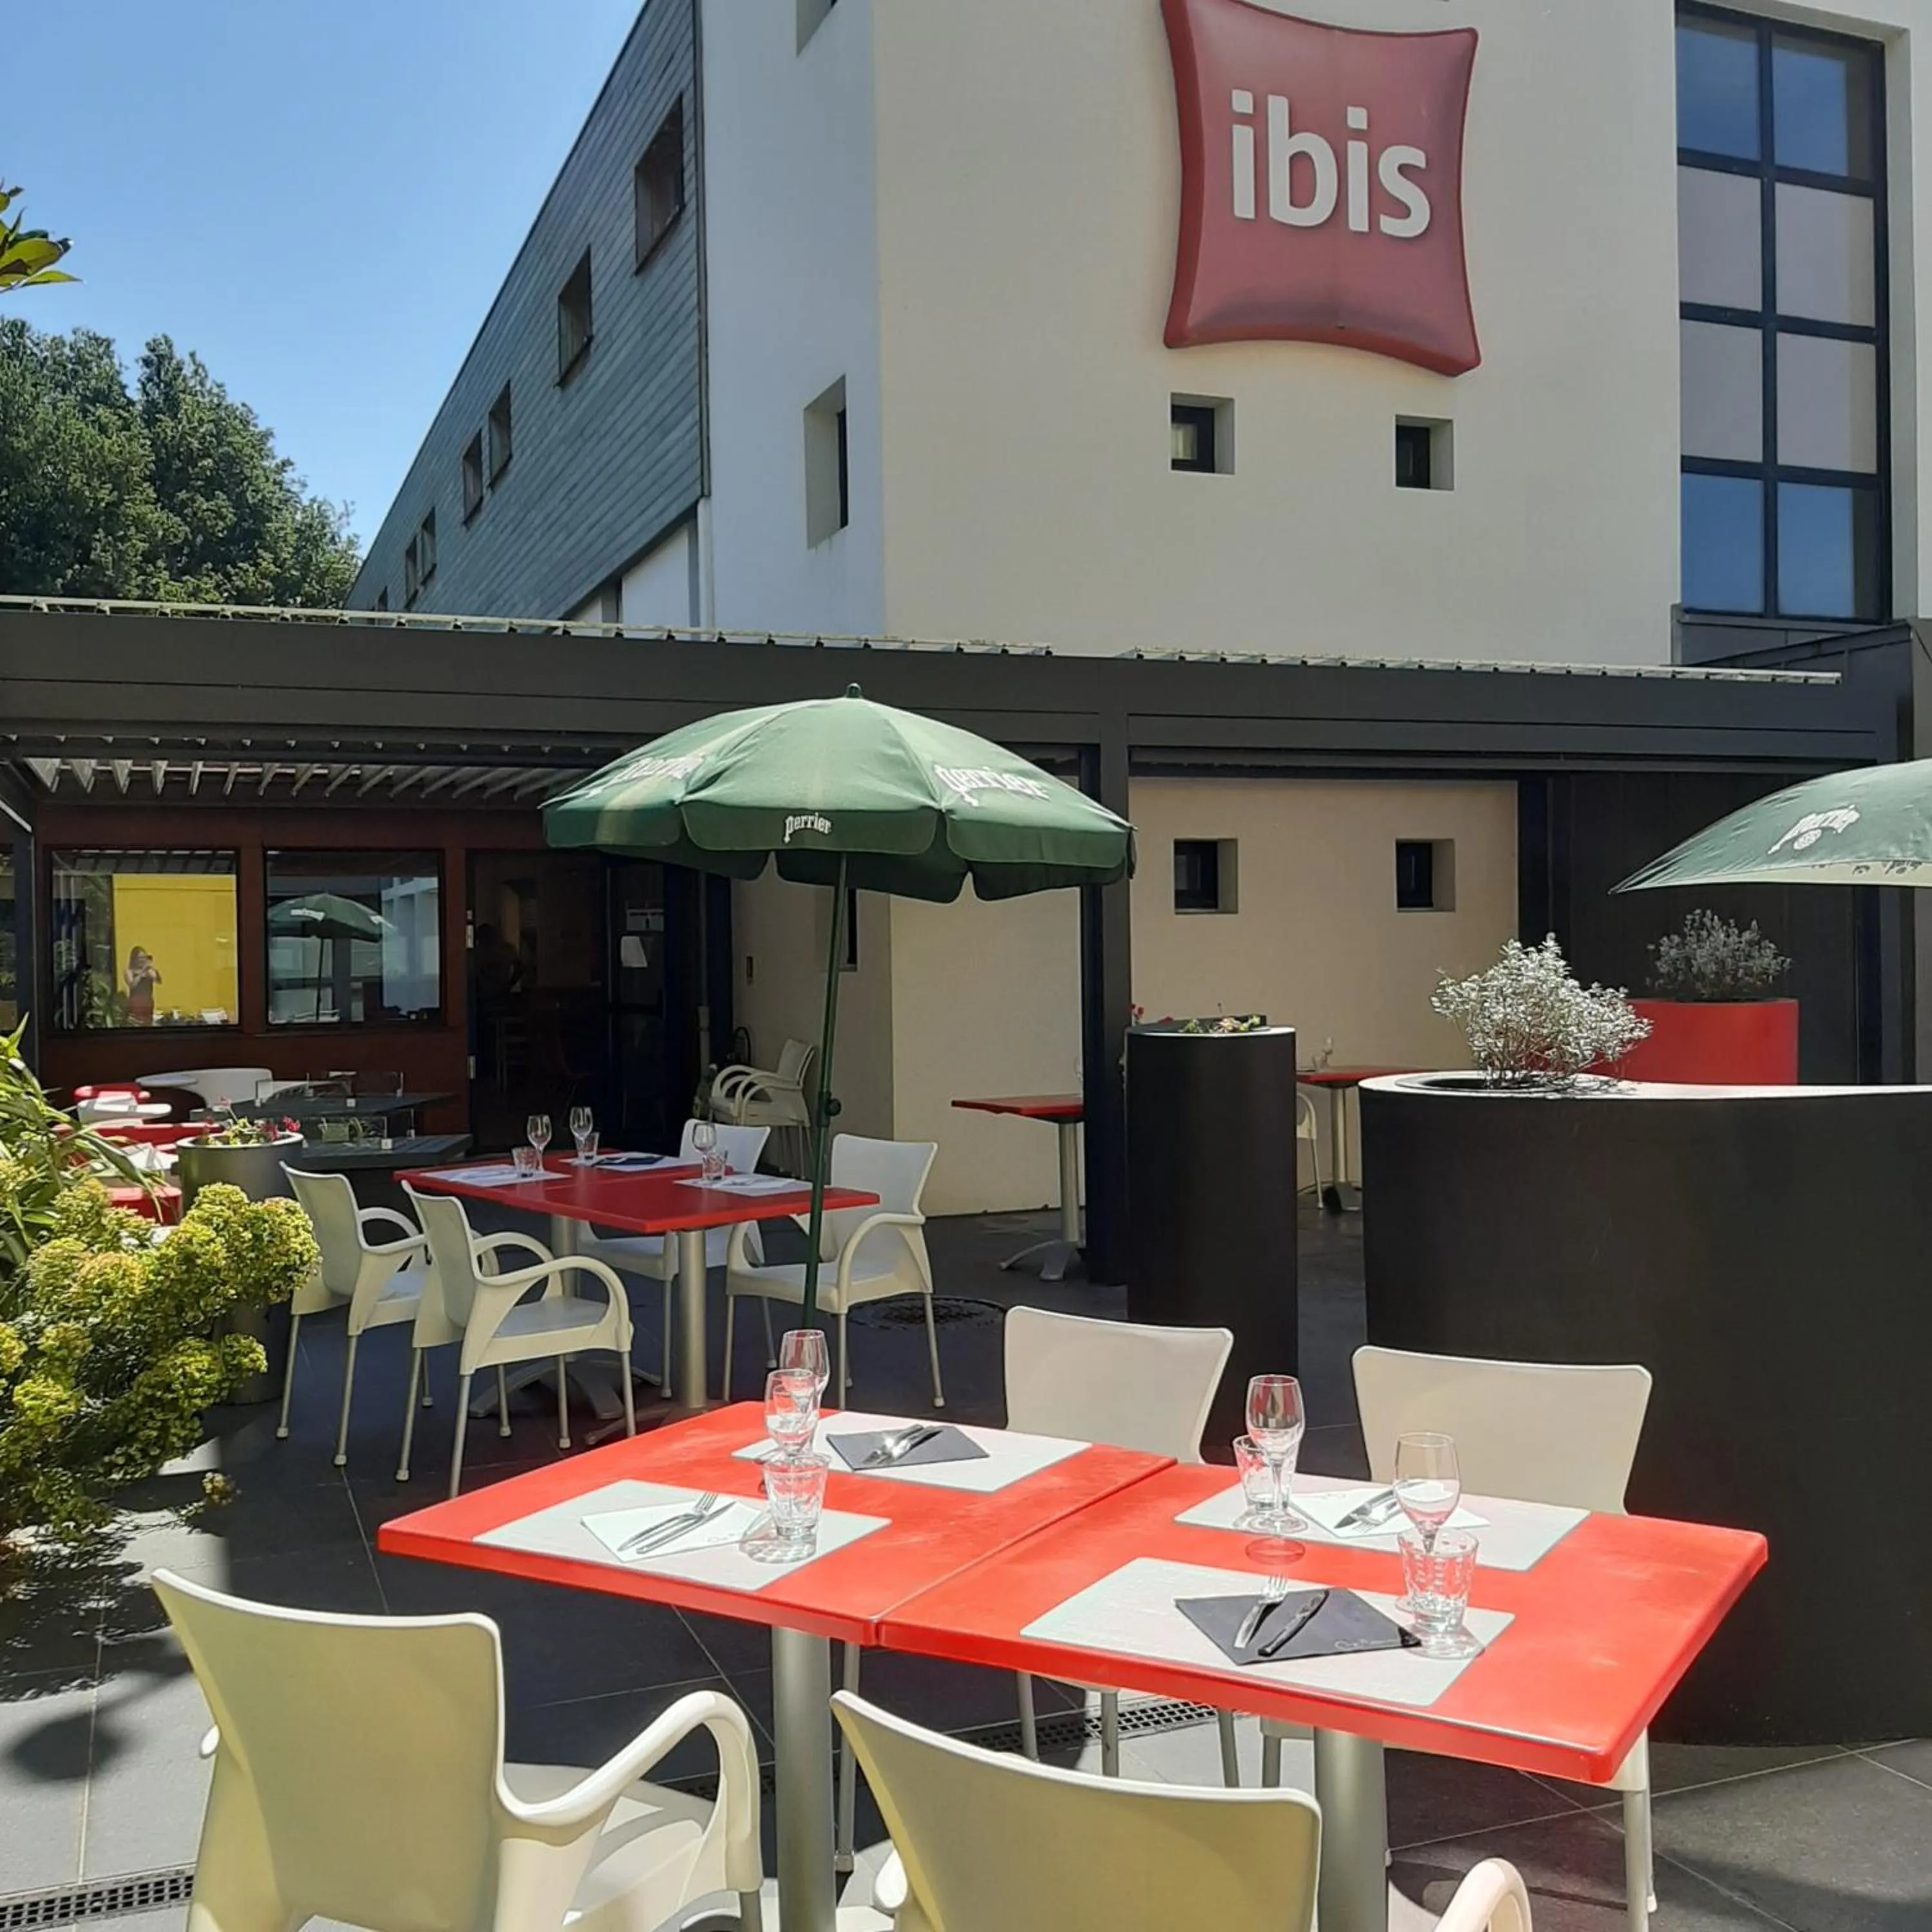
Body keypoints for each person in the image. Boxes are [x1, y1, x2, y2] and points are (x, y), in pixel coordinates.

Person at [124, 946, 160, 1025]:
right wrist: (141, 973)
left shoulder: (149, 971)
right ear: (135, 959)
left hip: (148, 1002)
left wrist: (152, 971)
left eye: (144, 958)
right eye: (140, 958)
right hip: (136, 1002)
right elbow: (132, 985)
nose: (142, 960)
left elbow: (158, 981)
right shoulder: (130, 971)